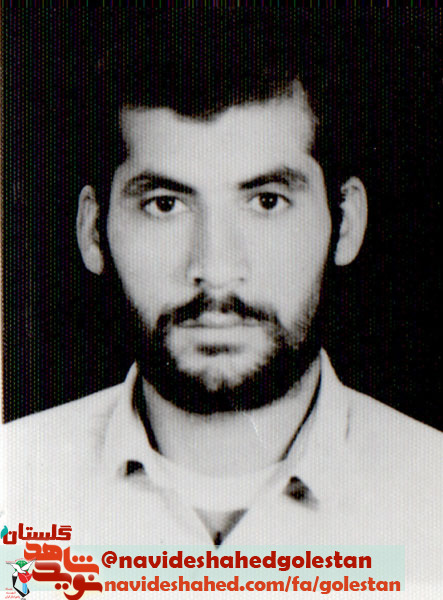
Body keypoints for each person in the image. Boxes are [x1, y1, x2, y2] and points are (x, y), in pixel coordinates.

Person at [4, 13, 442, 586]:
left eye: (267, 201)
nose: (214, 270)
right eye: (164, 204)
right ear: (92, 231)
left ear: (346, 224)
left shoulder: (433, 494)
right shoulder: (13, 485)